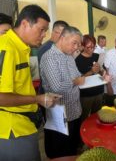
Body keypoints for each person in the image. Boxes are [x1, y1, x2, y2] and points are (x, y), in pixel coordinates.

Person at [0, 5, 61, 160]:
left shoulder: (22, 48)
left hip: (25, 123)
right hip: (12, 129)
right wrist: (37, 99)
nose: (44, 35)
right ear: (25, 24)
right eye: (41, 29)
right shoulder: (7, 48)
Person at [40, 26, 84, 159]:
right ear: (63, 38)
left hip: (75, 111)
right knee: (60, 152)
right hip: (61, 117)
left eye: (78, 44)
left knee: (72, 149)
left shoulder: (69, 56)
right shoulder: (50, 57)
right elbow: (56, 87)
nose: (76, 47)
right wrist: (76, 82)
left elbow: (77, 75)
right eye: (74, 43)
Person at [75, 35, 104, 122]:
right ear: (83, 46)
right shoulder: (78, 60)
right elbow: (78, 79)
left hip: (99, 91)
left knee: (97, 117)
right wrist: (91, 71)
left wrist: (102, 72)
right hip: (86, 95)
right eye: (88, 47)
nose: (91, 49)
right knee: (84, 118)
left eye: (93, 46)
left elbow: (101, 72)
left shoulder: (97, 56)